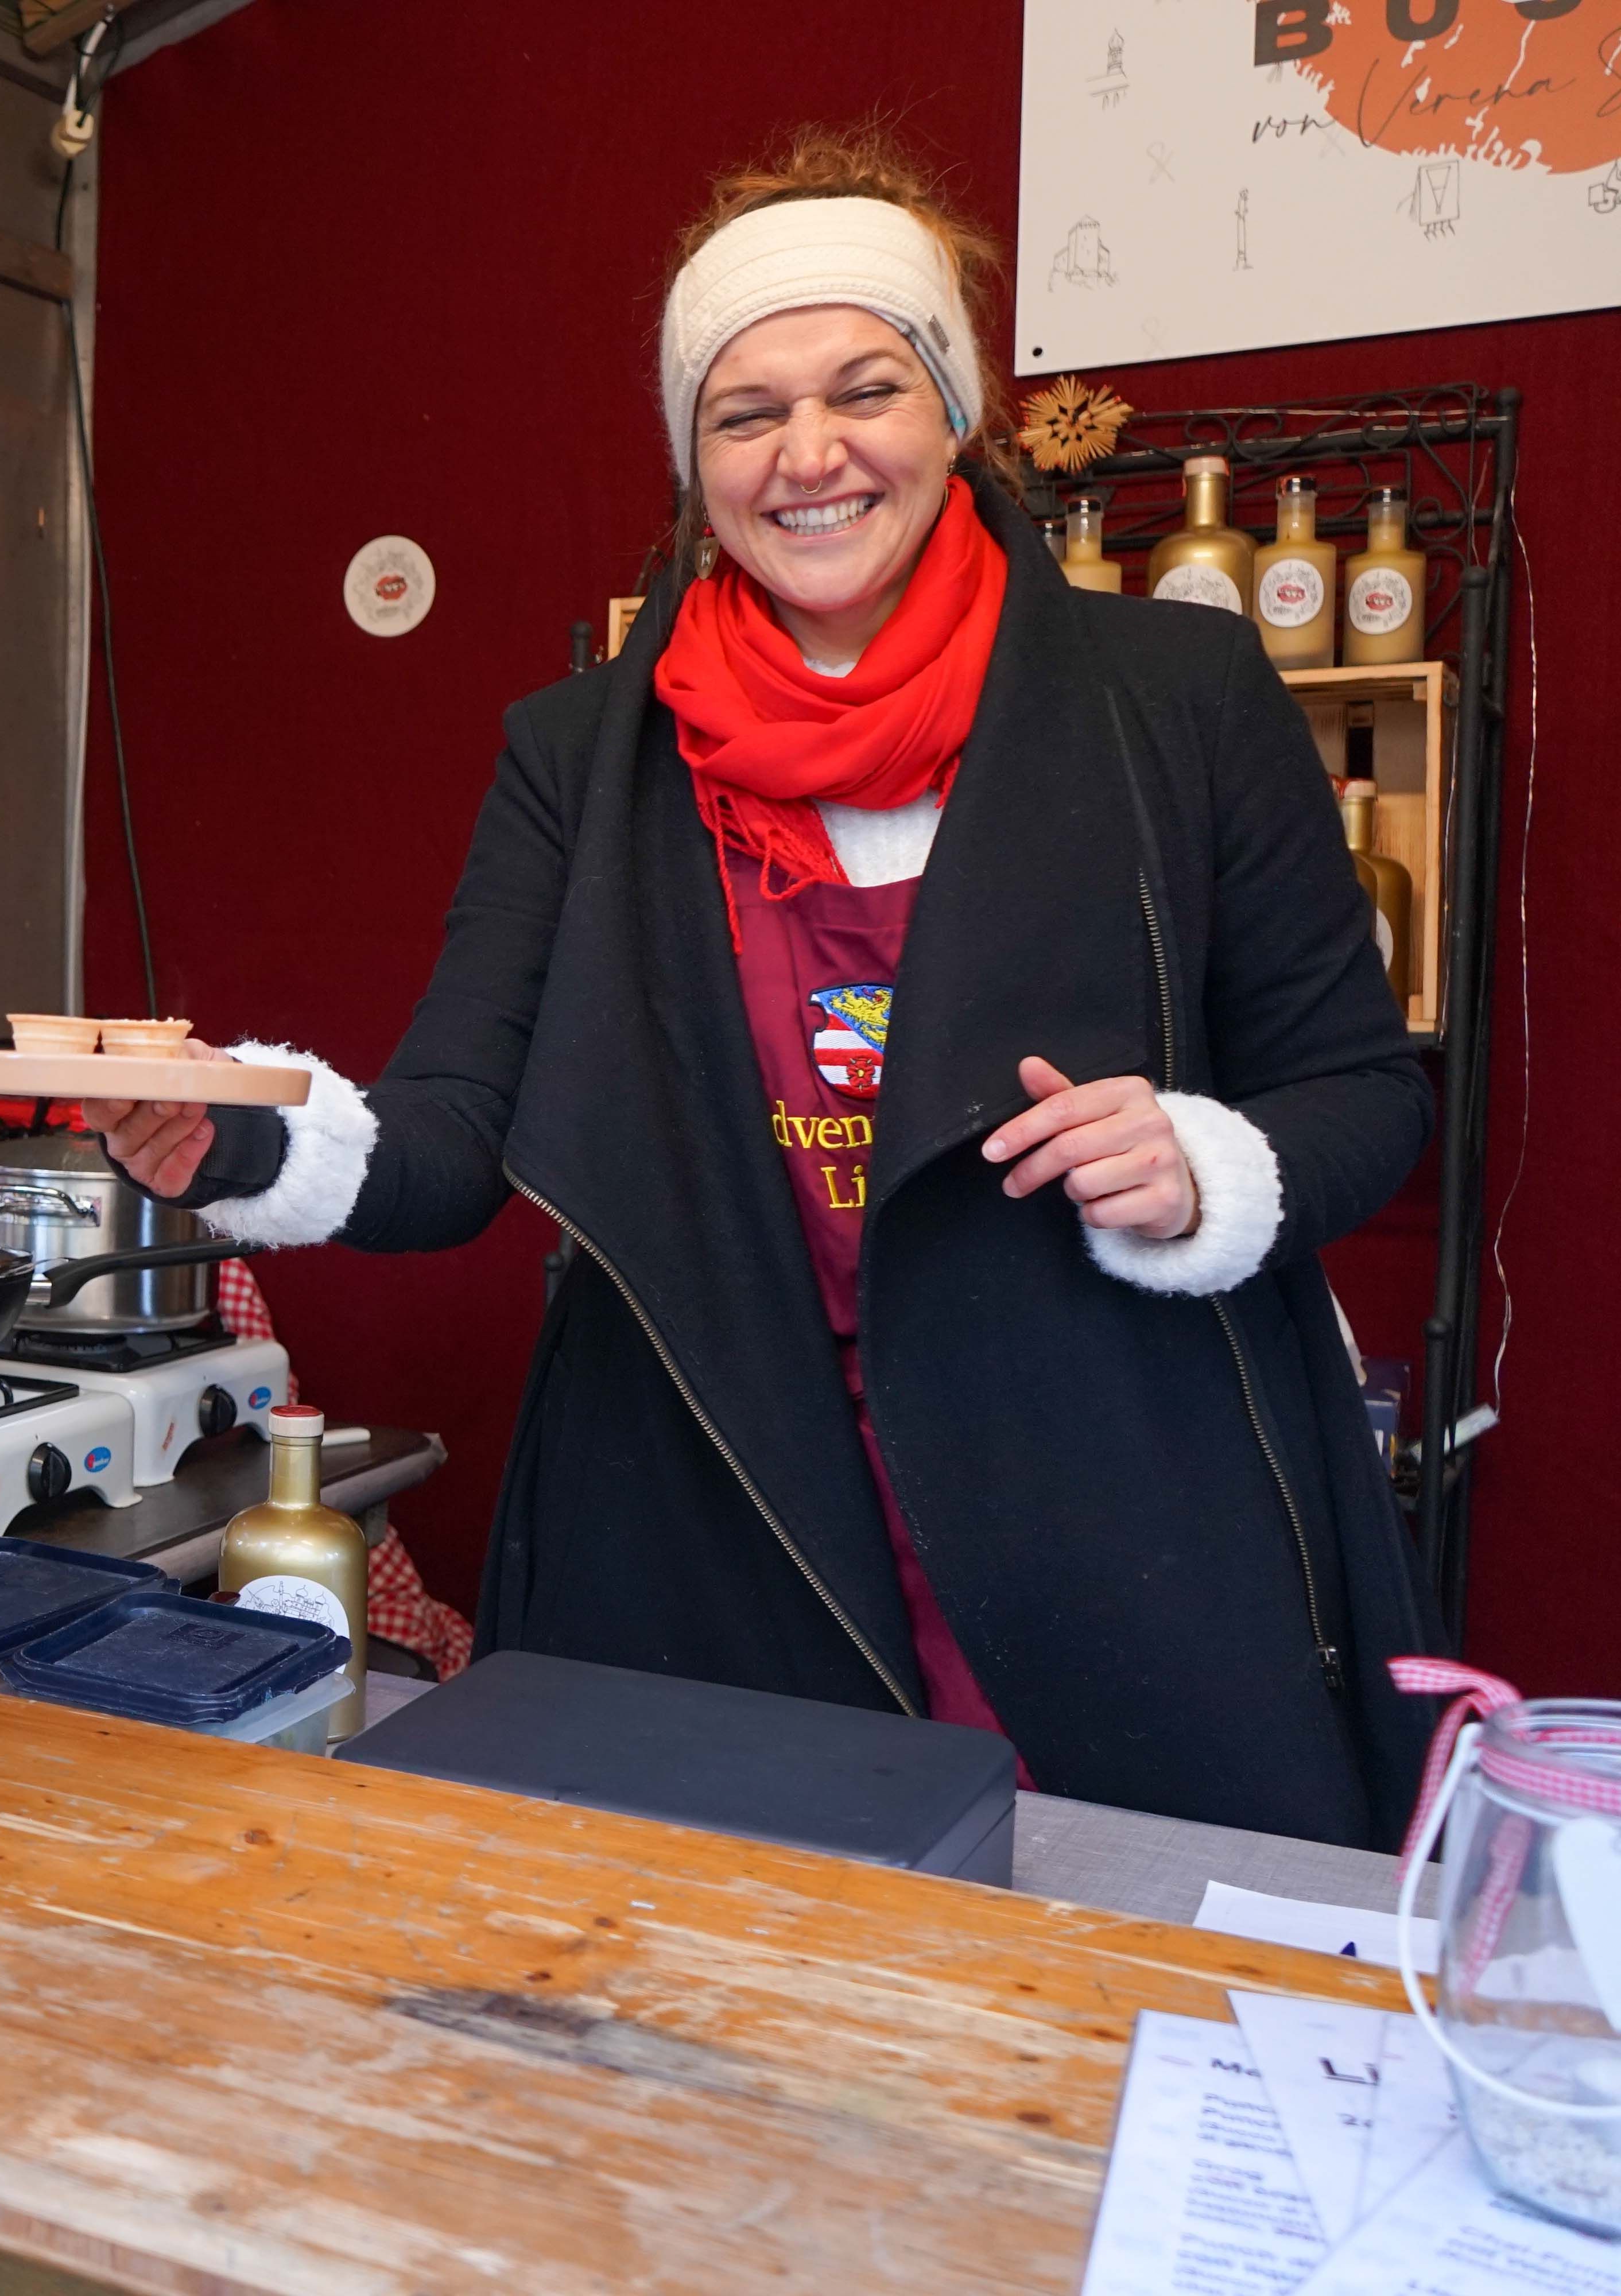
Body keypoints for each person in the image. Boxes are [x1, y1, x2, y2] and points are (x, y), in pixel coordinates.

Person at [89, 131, 1433, 1848]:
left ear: (954, 414)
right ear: (692, 462)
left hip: (1113, 1496)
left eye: (865, 388)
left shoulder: (1172, 697)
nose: (811, 454)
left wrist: (1204, 1167)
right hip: (713, 1500)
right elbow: (447, 1136)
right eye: (745, 413)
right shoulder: (582, 754)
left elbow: (1362, 1095)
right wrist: (246, 1139)